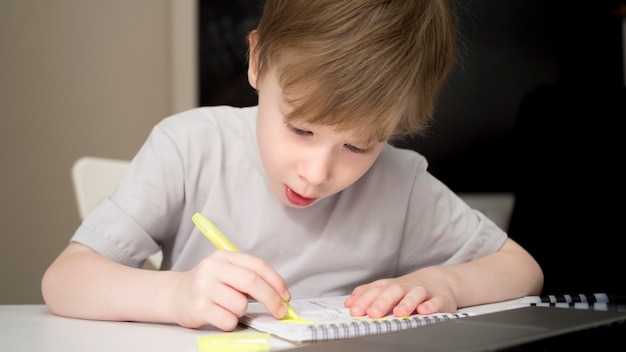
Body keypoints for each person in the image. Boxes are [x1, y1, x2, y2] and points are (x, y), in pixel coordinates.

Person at [41, 0, 543, 332]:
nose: (316, 173)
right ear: (257, 61)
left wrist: (445, 284)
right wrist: (175, 295)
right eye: (301, 129)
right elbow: (65, 281)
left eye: (360, 147)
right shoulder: (190, 146)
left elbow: (523, 270)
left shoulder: (400, 184)